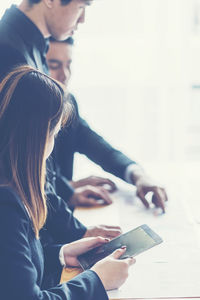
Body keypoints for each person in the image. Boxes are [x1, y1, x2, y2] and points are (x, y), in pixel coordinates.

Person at [0, 65, 135, 300]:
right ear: (40, 137)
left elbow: (11, 273)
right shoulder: (7, 205)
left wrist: (62, 254)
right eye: (54, 135)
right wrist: (97, 281)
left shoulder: (10, 191)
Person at [0, 0, 122, 241]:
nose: (83, 18)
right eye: (81, 6)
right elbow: (21, 160)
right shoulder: (8, 50)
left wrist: (67, 190)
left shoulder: (32, 44)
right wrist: (78, 231)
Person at [46, 37, 168, 212]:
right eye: (55, 65)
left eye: (69, 65)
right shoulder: (18, 116)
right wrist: (68, 188)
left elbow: (102, 150)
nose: (65, 75)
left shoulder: (67, 103)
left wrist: (139, 176)